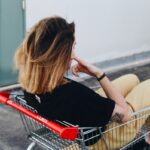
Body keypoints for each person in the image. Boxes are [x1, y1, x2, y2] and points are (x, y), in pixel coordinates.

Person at [14, 16, 150, 149]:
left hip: (79, 119)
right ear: (59, 56)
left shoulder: (31, 84)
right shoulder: (74, 93)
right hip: (102, 139)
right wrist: (99, 74)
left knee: (131, 78)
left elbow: (81, 101)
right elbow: (125, 115)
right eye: (72, 48)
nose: (74, 55)